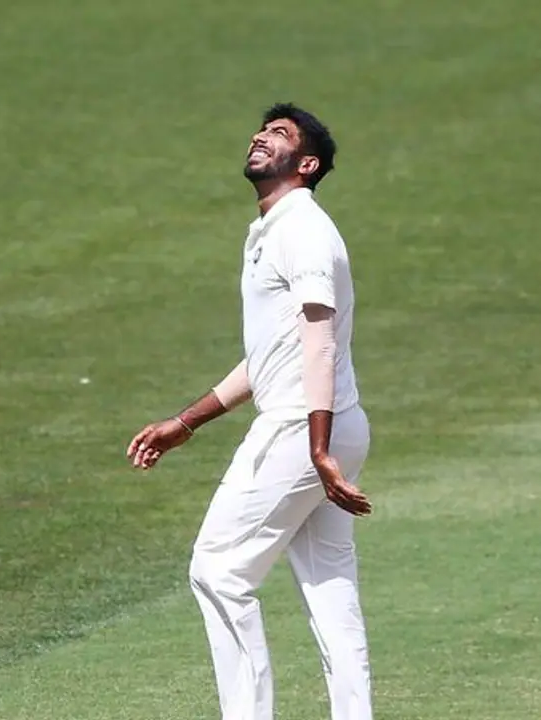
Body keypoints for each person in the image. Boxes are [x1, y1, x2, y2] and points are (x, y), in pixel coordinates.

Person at [125, 103, 374, 720]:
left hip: (303, 427)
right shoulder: (274, 228)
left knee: (218, 569)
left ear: (307, 163)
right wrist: (186, 421)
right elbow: (270, 356)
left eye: (281, 135)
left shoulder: (303, 231)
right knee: (330, 589)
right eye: (263, 129)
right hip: (331, 422)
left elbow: (318, 336)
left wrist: (316, 450)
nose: (263, 137)